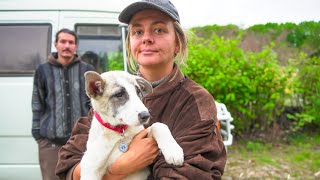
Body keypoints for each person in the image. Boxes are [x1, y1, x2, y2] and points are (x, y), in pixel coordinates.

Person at [56, 0, 227, 179]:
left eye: (159, 29)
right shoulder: (108, 96)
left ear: (178, 43)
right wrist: (119, 169)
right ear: (130, 43)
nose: (146, 38)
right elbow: (68, 165)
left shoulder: (195, 101)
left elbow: (194, 172)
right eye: (137, 32)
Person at [31, 28, 95, 180]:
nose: (67, 45)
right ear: (56, 44)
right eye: (63, 41)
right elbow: (37, 103)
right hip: (50, 144)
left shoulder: (87, 71)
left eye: (71, 42)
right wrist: (38, 135)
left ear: (76, 46)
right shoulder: (42, 70)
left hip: (82, 142)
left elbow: (94, 105)